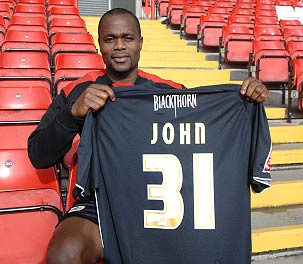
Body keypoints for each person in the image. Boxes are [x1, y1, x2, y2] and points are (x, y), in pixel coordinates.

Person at [28, 8, 270, 264]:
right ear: (99, 44)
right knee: (63, 253)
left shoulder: (171, 92)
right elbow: (38, 155)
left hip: (161, 202)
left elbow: (212, 139)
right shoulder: (79, 91)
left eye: (127, 38)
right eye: (110, 39)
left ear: (140, 42)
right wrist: (72, 114)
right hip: (99, 202)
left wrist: (245, 101)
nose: (119, 46)